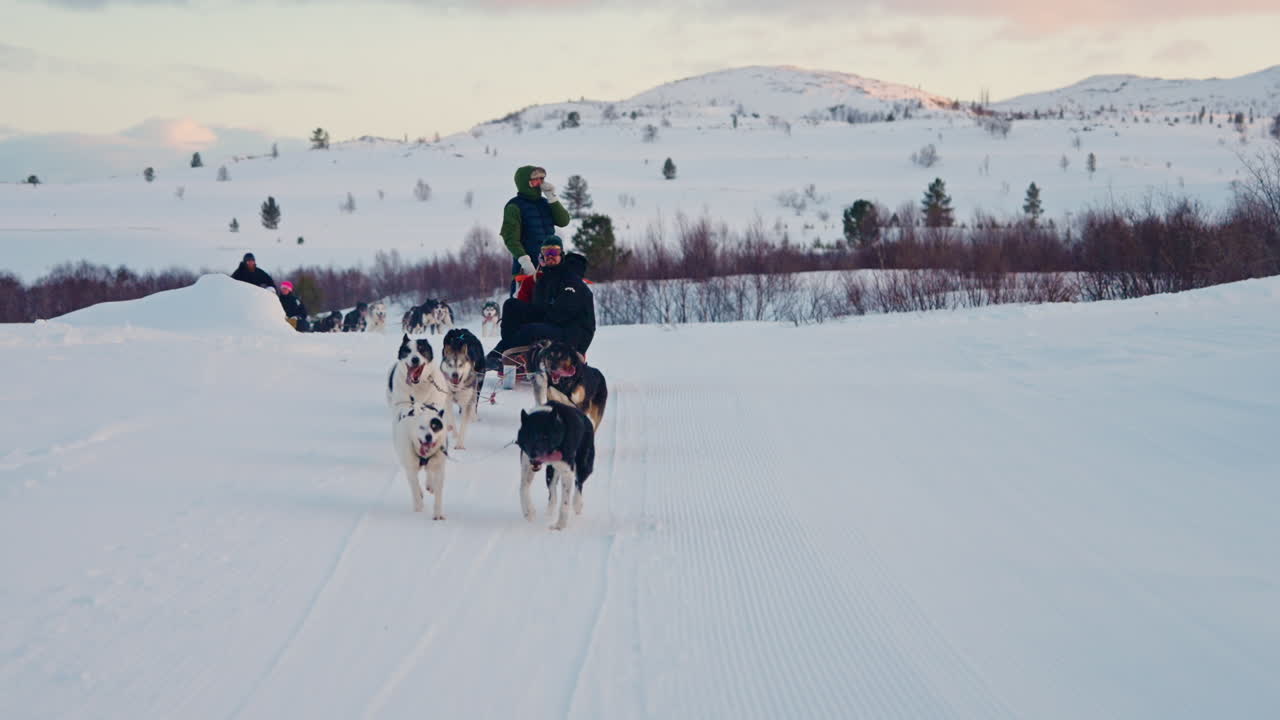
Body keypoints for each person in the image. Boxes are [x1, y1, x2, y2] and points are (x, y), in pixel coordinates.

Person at [486, 236, 595, 371]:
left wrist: (527, 326)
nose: (550, 256)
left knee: (531, 330)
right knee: (511, 305)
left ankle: (504, 354)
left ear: (561, 255)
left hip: (574, 334)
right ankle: (505, 353)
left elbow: (562, 314)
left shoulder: (571, 278)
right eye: (546, 252)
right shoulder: (545, 279)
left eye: (554, 252)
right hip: (554, 325)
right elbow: (539, 308)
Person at [500, 166, 570, 292]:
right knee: (522, 305)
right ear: (525, 182)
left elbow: (564, 221)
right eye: (536, 179)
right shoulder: (514, 206)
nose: (540, 183)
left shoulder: (545, 203)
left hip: (551, 263)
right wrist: (525, 262)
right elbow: (511, 239)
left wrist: (552, 196)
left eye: (542, 179)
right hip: (527, 267)